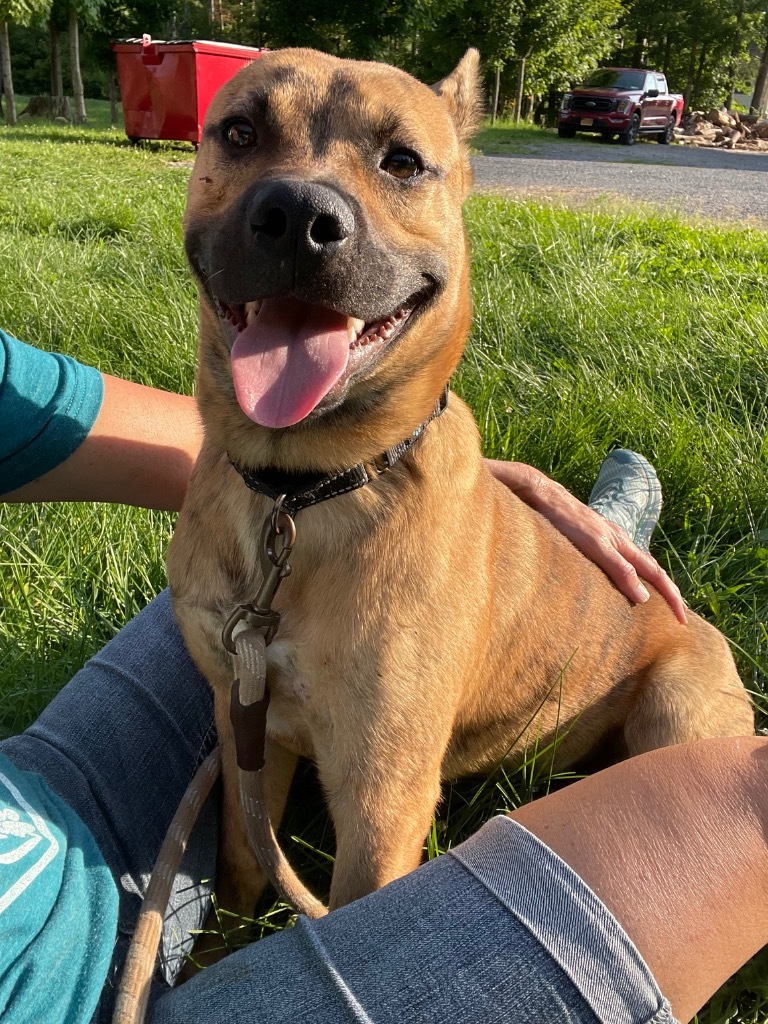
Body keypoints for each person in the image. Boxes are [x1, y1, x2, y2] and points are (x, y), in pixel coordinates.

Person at [1, 327, 763, 1024]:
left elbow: (73, 416)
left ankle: (612, 528)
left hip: (635, 666)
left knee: (719, 757)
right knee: (745, 805)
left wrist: (431, 470)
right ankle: (617, 521)